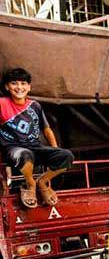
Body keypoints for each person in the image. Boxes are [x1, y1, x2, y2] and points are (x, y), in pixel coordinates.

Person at [0, 68, 73, 208]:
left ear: (29, 87)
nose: (19, 87)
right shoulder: (2, 103)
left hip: (36, 147)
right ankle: (31, 184)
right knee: (24, 154)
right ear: (7, 87)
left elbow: (47, 130)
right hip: (13, 150)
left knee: (66, 156)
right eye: (14, 83)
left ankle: (41, 182)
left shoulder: (35, 106)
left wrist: (55, 150)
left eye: (23, 83)